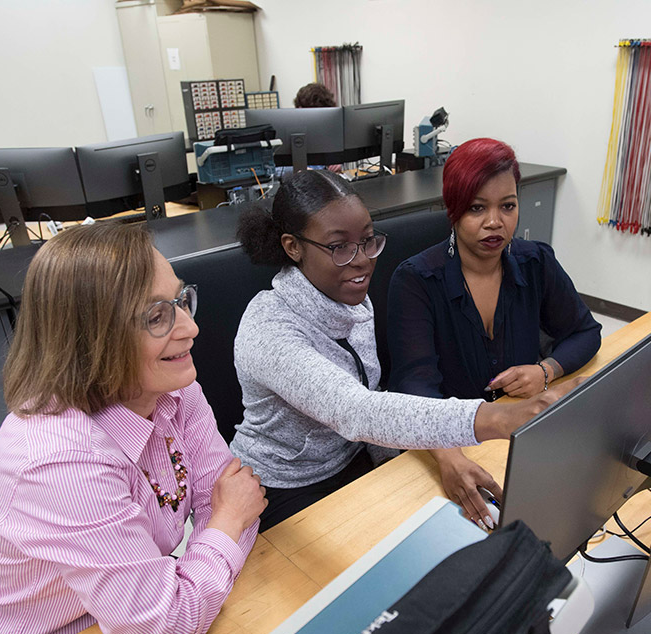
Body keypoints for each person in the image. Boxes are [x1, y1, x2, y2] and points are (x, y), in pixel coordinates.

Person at [0, 222, 267, 634]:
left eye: (182, 301)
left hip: (106, 617)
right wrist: (171, 605)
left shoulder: (172, 384)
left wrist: (165, 608)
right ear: (93, 339)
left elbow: (228, 494)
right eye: (158, 316)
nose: (190, 327)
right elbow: (229, 515)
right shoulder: (61, 458)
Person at [231, 170, 574, 531]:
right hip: (282, 484)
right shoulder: (268, 328)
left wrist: (400, 461)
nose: (362, 260)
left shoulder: (352, 303)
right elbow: (354, 409)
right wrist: (500, 418)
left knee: (443, 529)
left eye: (367, 241)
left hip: (353, 456)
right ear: (293, 246)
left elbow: (371, 394)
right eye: (340, 247)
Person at [386, 138, 602, 525]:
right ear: (452, 210)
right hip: (448, 444)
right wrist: (450, 458)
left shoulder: (534, 261)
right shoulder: (416, 281)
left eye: (508, 206)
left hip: (517, 433)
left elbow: (586, 332)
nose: (495, 222)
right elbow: (413, 390)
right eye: (476, 208)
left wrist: (546, 370)